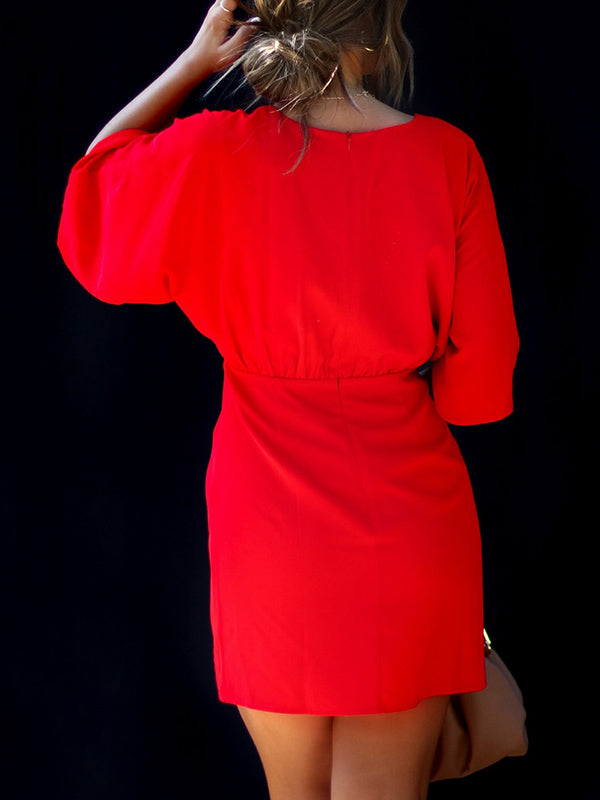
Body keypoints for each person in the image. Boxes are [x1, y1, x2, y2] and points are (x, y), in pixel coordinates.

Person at [57, 0, 521, 798]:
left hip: (267, 534)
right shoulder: (450, 159)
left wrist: (193, 64)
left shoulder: (214, 150)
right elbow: (477, 395)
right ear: (382, 29)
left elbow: (91, 207)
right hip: (407, 527)